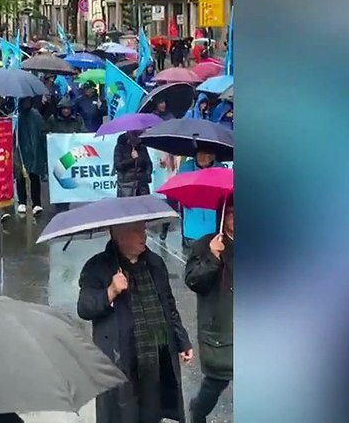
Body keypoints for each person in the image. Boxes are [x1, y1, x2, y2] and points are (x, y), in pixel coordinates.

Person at [78, 222, 192, 423]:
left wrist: (182, 340)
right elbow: (84, 308)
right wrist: (110, 291)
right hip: (121, 361)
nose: (144, 235)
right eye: (137, 231)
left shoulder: (154, 263)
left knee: (151, 415)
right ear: (119, 236)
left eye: (143, 229)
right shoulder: (97, 267)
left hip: (154, 358)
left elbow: (168, 305)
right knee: (124, 416)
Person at [184, 197, 234, 423]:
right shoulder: (205, 244)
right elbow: (194, 281)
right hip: (220, 327)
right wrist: (212, 256)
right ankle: (198, 409)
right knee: (218, 380)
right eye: (231, 212)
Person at [14, 98, 47, 216]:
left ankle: (36, 203)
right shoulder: (16, 117)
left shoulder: (36, 115)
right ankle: (22, 201)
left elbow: (43, 130)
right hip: (20, 150)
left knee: (34, 176)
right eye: (24, 101)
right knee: (20, 176)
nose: (26, 104)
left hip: (34, 151)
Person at [114, 130, 154, 197]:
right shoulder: (120, 147)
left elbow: (148, 163)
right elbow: (118, 166)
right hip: (127, 185)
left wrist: (146, 177)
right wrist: (132, 159)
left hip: (142, 185)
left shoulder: (142, 147)